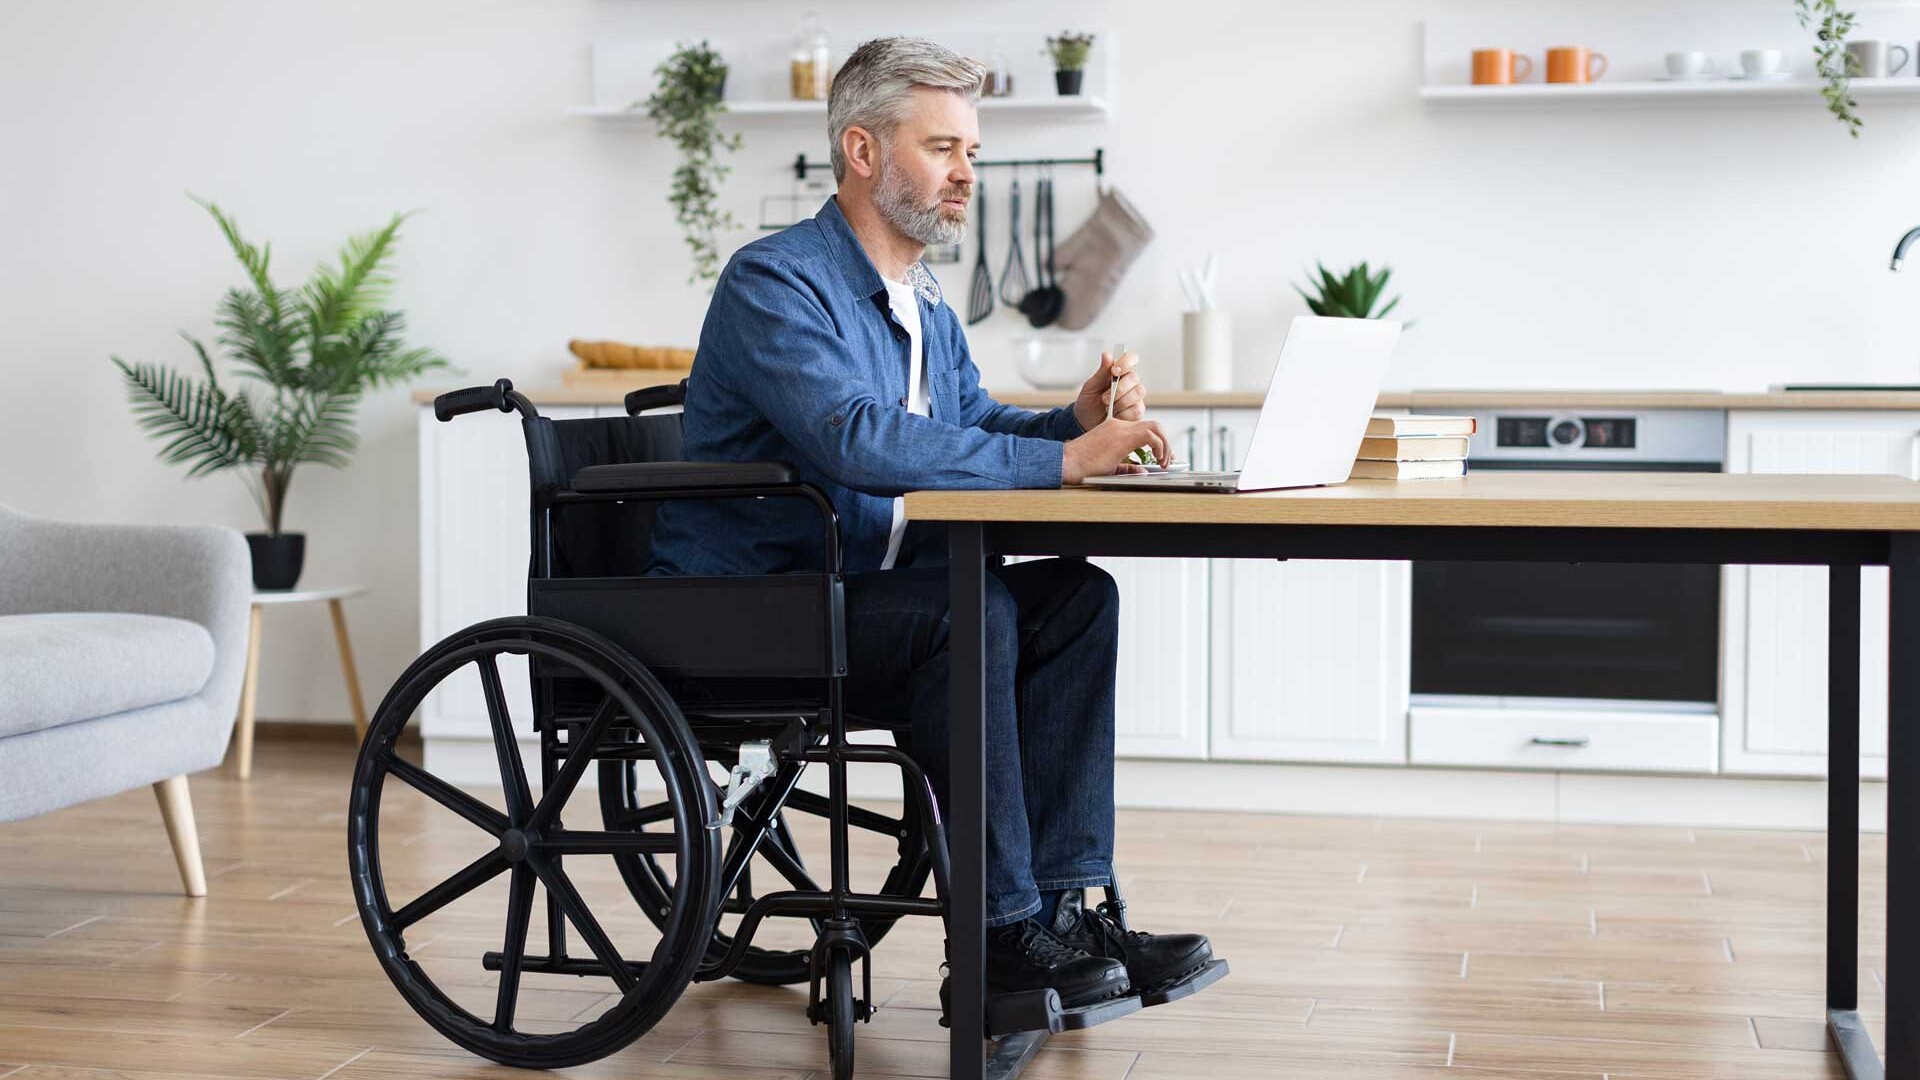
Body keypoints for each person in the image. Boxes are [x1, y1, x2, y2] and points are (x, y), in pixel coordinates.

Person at [645, 37, 1212, 1010]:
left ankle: (1067, 911)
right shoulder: (775, 283)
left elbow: (971, 428)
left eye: (973, 153)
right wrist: (1068, 463)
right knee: (970, 610)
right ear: (861, 151)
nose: (966, 175)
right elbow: (855, 439)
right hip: (753, 609)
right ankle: (996, 941)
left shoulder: (926, 302)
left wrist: (1070, 424)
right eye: (943, 148)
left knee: (1075, 596)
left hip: (859, 588)